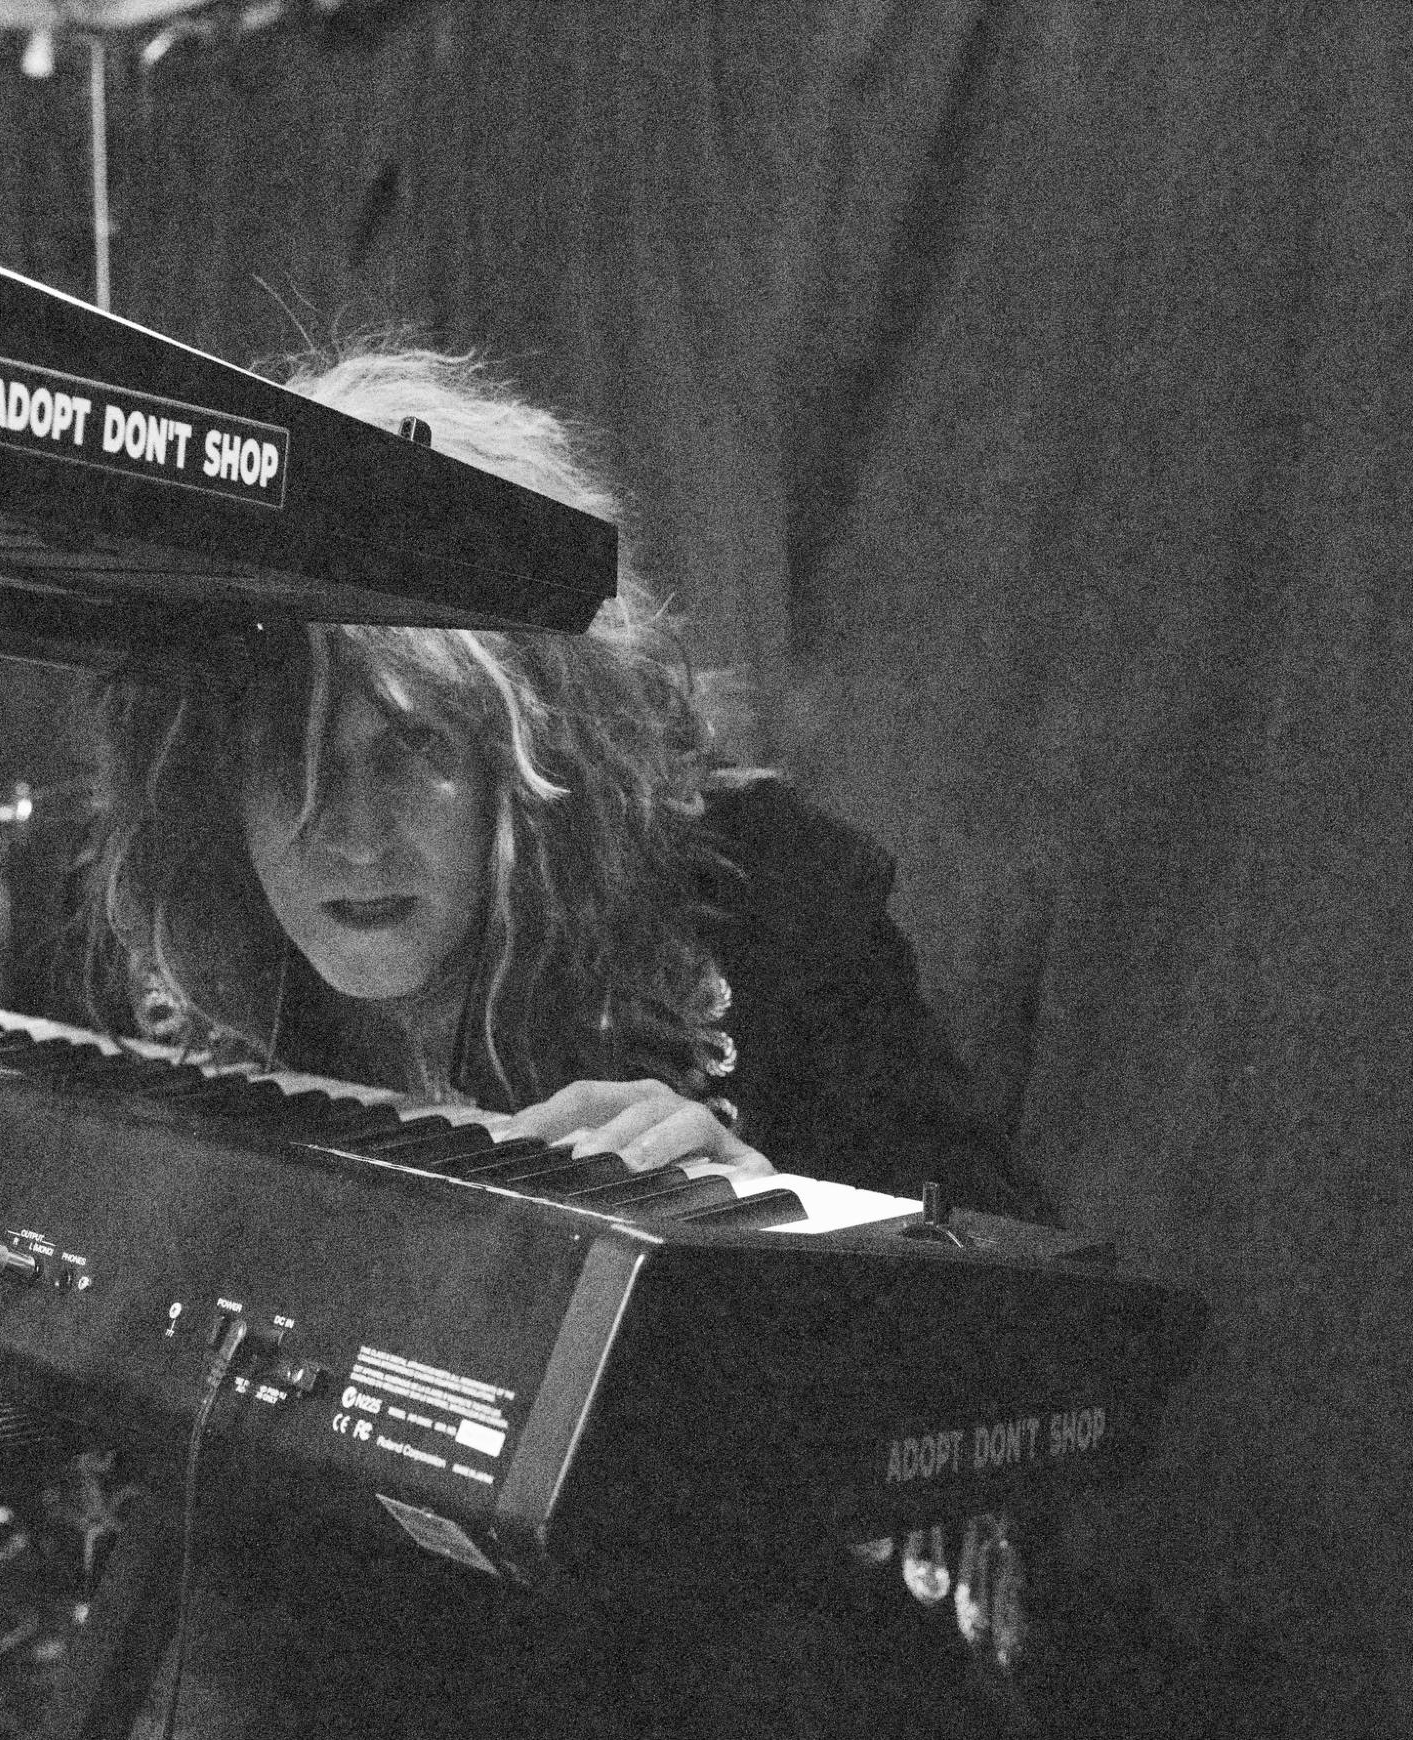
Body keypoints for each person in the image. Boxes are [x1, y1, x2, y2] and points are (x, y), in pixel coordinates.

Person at [51, 344, 1045, 1740]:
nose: (346, 833)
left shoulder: (771, 906)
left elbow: (1024, 1320)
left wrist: (782, 1227)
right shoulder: (193, 987)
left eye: (408, 748)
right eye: (288, 757)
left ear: (535, 749)